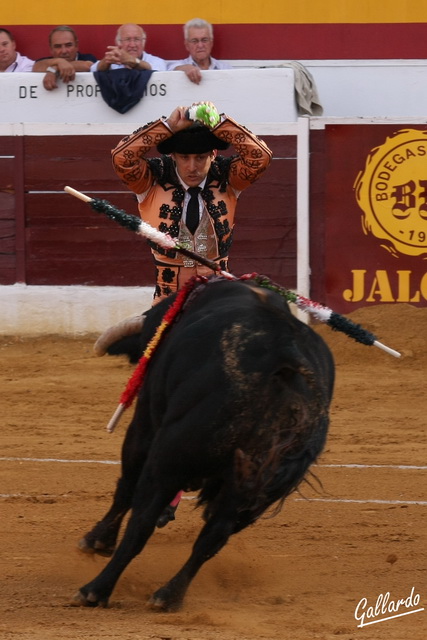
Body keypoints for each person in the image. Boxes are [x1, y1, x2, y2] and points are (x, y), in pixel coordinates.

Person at [95, 101, 272, 527]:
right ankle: (168, 488)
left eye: (201, 156)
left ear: (212, 156)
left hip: (219, 299)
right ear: (171, 156)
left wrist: (219, 123)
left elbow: (260, 156)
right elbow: (122, 156)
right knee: (162, 399)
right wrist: (164, 126)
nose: (193, 167)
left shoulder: (227, 178)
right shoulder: (150, 181)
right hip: (167, 304)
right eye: (185, 157)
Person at [167, 18, 232, 84]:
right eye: (194, 41)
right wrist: (185, 68)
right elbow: (169, 70)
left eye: (204, 40)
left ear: (211, 43)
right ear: (187, 45)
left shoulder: (225, 68)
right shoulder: (179, 65)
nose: (200, 45)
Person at [32, 25, 96, 91]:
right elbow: (36, 67)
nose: (64, 51)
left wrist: (55, 68)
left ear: (76, 45)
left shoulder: (88, 58)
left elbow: (88, 66)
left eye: (68, 45)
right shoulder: (47, 61)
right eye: (58, 46)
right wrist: (59, 62)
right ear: (51, 49)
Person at [91, 23, 167, 72]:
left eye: (137, 39)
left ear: (143, 42)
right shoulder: (114, 60)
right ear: (119, 43)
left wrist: (135, 62)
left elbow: (160, 70)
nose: (132, 45)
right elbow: (93, 69)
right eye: (127, 39)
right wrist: (106, 62)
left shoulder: (155, 61)